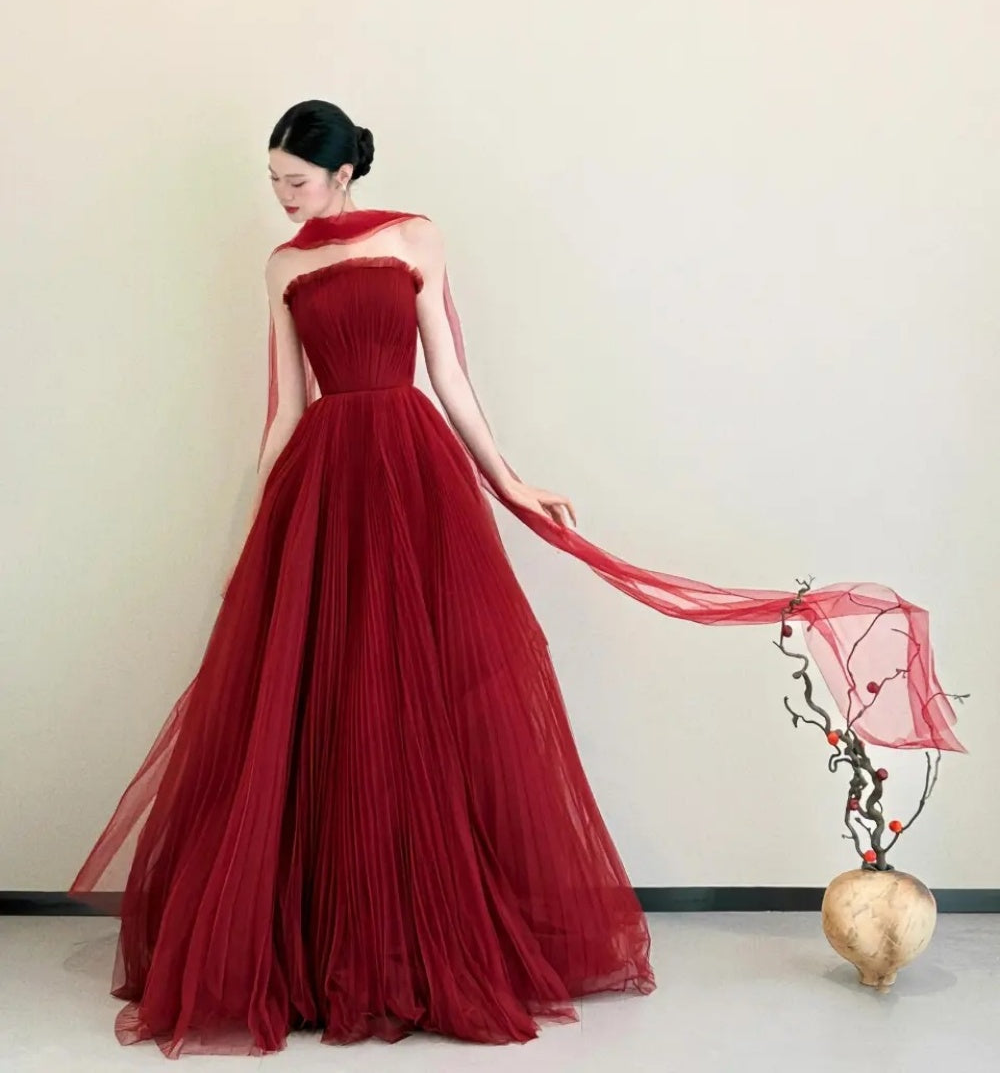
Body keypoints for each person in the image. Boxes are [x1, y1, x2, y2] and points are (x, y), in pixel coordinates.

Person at [70, 99, 961, 1057]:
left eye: (295, 180)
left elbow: (450, 376)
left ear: (341, 173)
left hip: (410, 474)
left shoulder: (414, 237)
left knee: (414, 695)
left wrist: (508, 481)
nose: (282, 198)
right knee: (323, 697)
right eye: (274, 182)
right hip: (323, 486)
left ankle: (413, 933)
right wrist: (253, 531)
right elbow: (287, 408)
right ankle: (325, 942)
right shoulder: (282, 267)